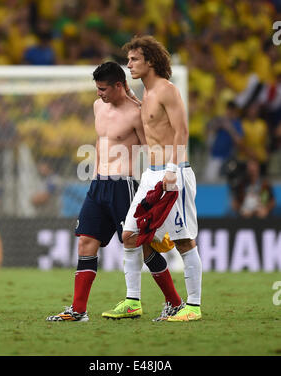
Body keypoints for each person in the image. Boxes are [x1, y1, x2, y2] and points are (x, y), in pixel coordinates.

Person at [46, 61, 183, 322]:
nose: (99, 93)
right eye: (97, 89)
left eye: (103, 88)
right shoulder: (98, 106)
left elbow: (153, 148)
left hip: (124, 186)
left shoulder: (136, 113)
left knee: (140, 245)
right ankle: (78, 310)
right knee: (86, 242)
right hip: (98, 185)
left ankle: (175, 302)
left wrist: (159, 181)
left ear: (119, 86)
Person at [102, 36, 202, 322]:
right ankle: (133, 301)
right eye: (129, 59)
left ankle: (193, 306)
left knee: (184, 241)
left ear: (150, 61)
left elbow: (181, 131)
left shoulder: (167, 90)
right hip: (151, 175)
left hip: (175, 172)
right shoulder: (145, 94)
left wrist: (172, 169)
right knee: (130, 235)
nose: (129, 64)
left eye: (134, 59)